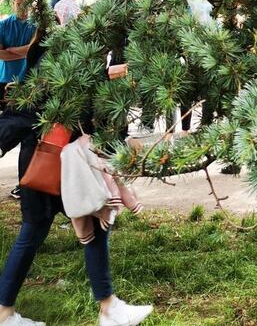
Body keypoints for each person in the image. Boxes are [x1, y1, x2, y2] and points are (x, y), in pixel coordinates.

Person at [0, 49, 153, 326]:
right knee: (34, 231)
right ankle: (3, 313)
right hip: (44, 167)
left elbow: (99, 114)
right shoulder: (55, 55)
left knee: (91, 228)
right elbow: (23, 112)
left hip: (72, 168)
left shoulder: (96, 55)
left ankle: (109, 308)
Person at [0, 0, 36, 108]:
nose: (22, 8)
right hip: (4, 77)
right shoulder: (3, 25)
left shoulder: (36, 26)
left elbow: (33, 50)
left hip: (27, 79)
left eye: (25, 5)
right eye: (18, 4)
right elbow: (0, 55)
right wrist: (25, 52)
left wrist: (11, 50)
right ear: (13, 4)